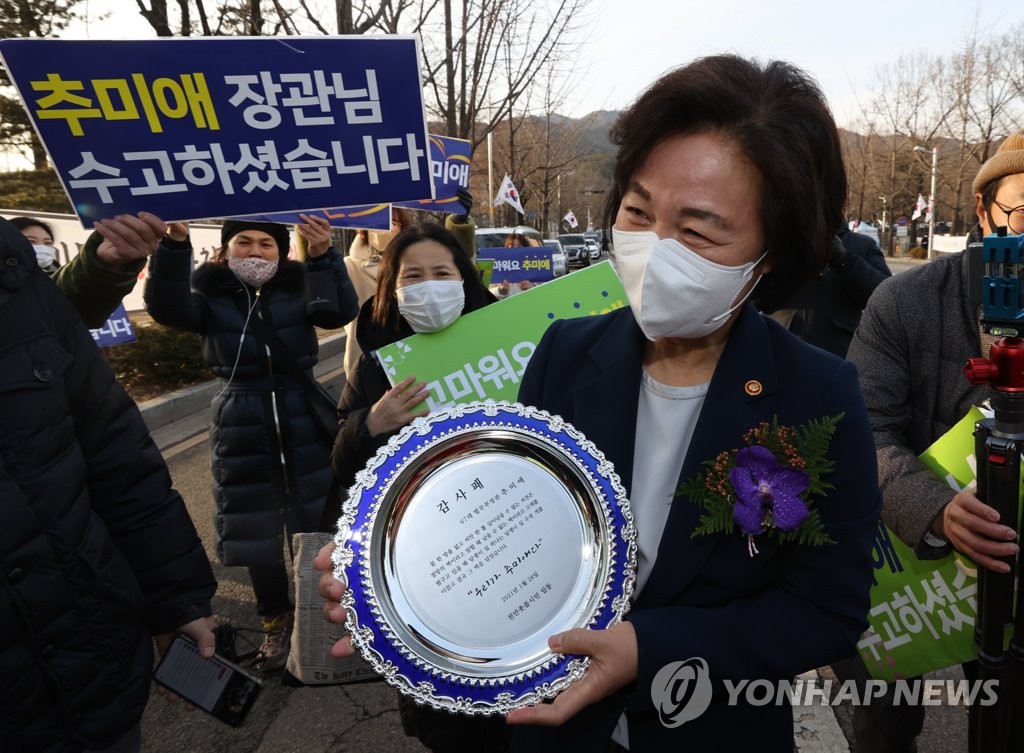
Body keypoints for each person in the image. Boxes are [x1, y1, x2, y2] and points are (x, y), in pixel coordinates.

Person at [318, 54, 881, 752]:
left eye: (698, 230)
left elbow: (825, 610)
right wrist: (401, 587)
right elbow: (515, 525)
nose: (653, 249)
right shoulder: (564, 353)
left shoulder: (817, 395)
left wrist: (650, 645)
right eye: (639, 211)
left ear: (770, 255)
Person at [0, 216, 217, 753]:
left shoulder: (18, 288)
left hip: (89, 665)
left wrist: (176, 599)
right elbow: (175, 309)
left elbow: (116, 457)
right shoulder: (213, 289)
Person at [846, 130, 1024, 752]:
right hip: (902, 564)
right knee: (881, 726)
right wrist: (937, 510)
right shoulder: (904, 301)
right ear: (984, 211)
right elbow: (863, 427)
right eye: (1022, 213)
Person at [144, 215, 358, 673]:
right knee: (258, 532)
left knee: (318, 523)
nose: (255, 252)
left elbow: (338, 311)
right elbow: (166, 307)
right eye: (244, 242)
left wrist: (323, 254)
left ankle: (334, 616)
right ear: (225, 250)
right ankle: (275, 622)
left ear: (282, 253)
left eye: (266, 244)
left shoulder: (301, 287)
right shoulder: (209, 296)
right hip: (241, 421)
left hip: (303, 414)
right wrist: (175, 246)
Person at [325, 222, 505, 752]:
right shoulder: (378, 341)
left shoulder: (507, 335)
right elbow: (340, 461)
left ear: (465, 280)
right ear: (392, 286)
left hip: (508, 529)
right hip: (425, 556)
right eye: (413, 276)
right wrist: (370, 423)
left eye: (441, 273)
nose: (428, 286)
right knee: (450, 712)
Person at [342, 192, 478, 379]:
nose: (387, 228)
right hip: (379, 358)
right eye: (413, 275)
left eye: (393, 222)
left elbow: (462, 268)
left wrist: (460, 226)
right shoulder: (349, 265)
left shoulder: (419, 250)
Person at [7, 212, 164, 327]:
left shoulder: (60, 278)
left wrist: (102, 263)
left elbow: (72, 304)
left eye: (47, 242)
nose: (41, 247)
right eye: (30, 241)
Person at [767, 226, 892, 358]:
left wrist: (844, 260)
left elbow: (885, 299)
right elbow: (754, 296)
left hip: (839, 354)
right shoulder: (778, 240)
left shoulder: (862, 244)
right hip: (781, 349)